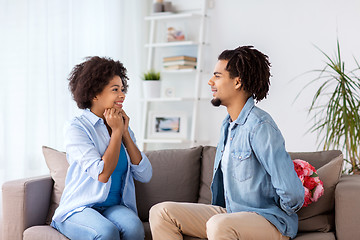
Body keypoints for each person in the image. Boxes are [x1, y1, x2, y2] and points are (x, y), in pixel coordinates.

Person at [149, 46, 305, 240]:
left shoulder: (260, 126)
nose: (210, 82)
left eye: (217, 76)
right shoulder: (227, 126)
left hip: (268, 221)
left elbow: (293, 193)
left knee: (218, 224)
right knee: (161, 212)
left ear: (237, 82)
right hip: (231, 215)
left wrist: (279, 210)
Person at [51, 56, 152, 240]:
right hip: (80, 207)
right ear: (94, 94)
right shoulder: (77, 127)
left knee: (135, 229)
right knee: (106, 232)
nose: (122, 95)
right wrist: (115, 133)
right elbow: (102, 174)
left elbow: (145, 175)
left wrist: (125, 133)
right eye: (115, 90)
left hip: (114, 206)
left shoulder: (121, 126)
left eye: (122, 89)